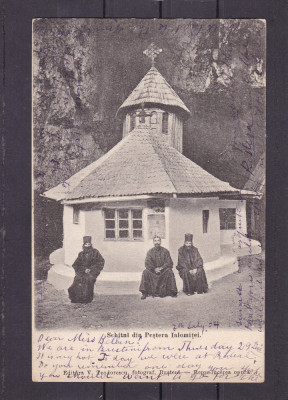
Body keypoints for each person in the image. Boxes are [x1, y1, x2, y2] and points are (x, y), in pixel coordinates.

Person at [68, 236, 105, 304]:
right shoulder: (81, 254)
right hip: (83, 271)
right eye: (86, 244)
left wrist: (91, 269)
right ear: (84, 245)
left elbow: (101, 262)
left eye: (89, 244)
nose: (87, 246)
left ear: (91, 244)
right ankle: (77, 299)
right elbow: (75, 264)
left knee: (89, 280)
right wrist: (83, 269)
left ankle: (87, 299)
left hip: (92, 272)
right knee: (77, 279)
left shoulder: (95, 252)